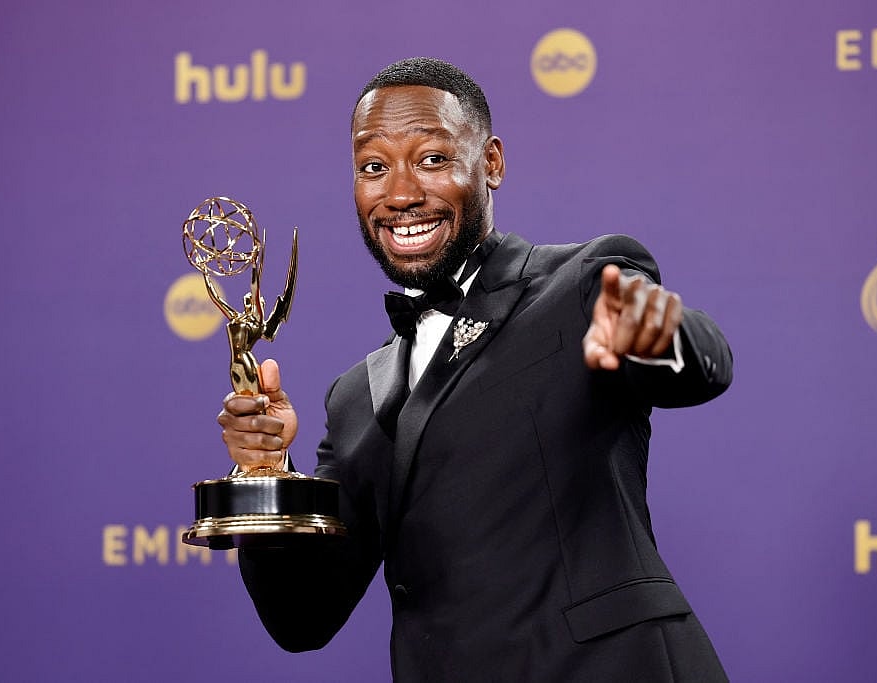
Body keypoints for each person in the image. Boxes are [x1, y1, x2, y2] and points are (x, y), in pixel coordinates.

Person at [219, 57, 733, 681]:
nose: (401, 194)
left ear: (490, 163)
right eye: (373, 167)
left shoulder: (580, 284)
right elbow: (301, 617)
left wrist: (658, 334)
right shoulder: (355, 398)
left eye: (432, 159)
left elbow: (700, 363)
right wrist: (267, 474)